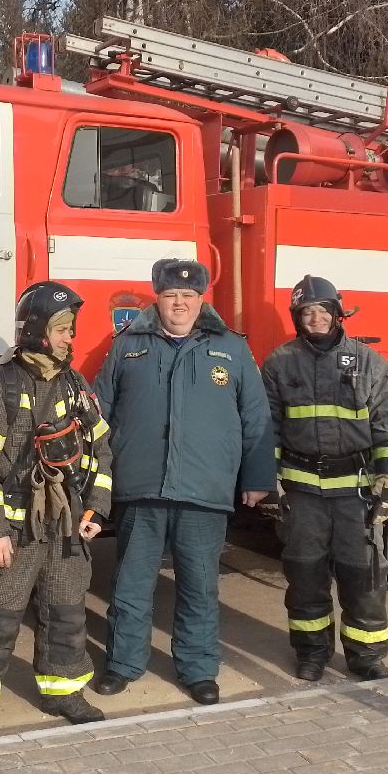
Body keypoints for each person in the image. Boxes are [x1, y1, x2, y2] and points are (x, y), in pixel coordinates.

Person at [90, 258, 274, 705]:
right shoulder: (128, 345)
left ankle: (197, 669)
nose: (180, 303)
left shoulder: (231, 347)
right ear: (158, 297)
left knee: (198, 587)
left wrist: (257, 476)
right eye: (172, 295)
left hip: (204, 489)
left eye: (189, 296)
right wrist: (98, 480)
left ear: (200, 300)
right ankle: (123, 664)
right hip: (141, 487)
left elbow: (256, 416)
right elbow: (98, 415)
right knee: (131, 584)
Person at [0, 281, 114, 742]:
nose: (69, 338)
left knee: (67, 614)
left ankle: (63, 692)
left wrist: (96, 510)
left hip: (66, 529)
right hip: (14, 532)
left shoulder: (75, 385)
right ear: (38, 330)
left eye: (71, 329)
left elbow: (102, 451)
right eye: (62, 329)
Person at [261, 275, 388, 683]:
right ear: (297, 318)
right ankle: (311, 652)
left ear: (338, 313)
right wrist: (268, 483)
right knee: (305, 576)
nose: (315, 319)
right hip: (302, 490)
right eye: (307, 312)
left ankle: (366, 656)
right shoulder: (279, 362)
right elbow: (266, 429)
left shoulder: (368, 362)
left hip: (356, 492)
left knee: (364, 576)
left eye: (322, 310)